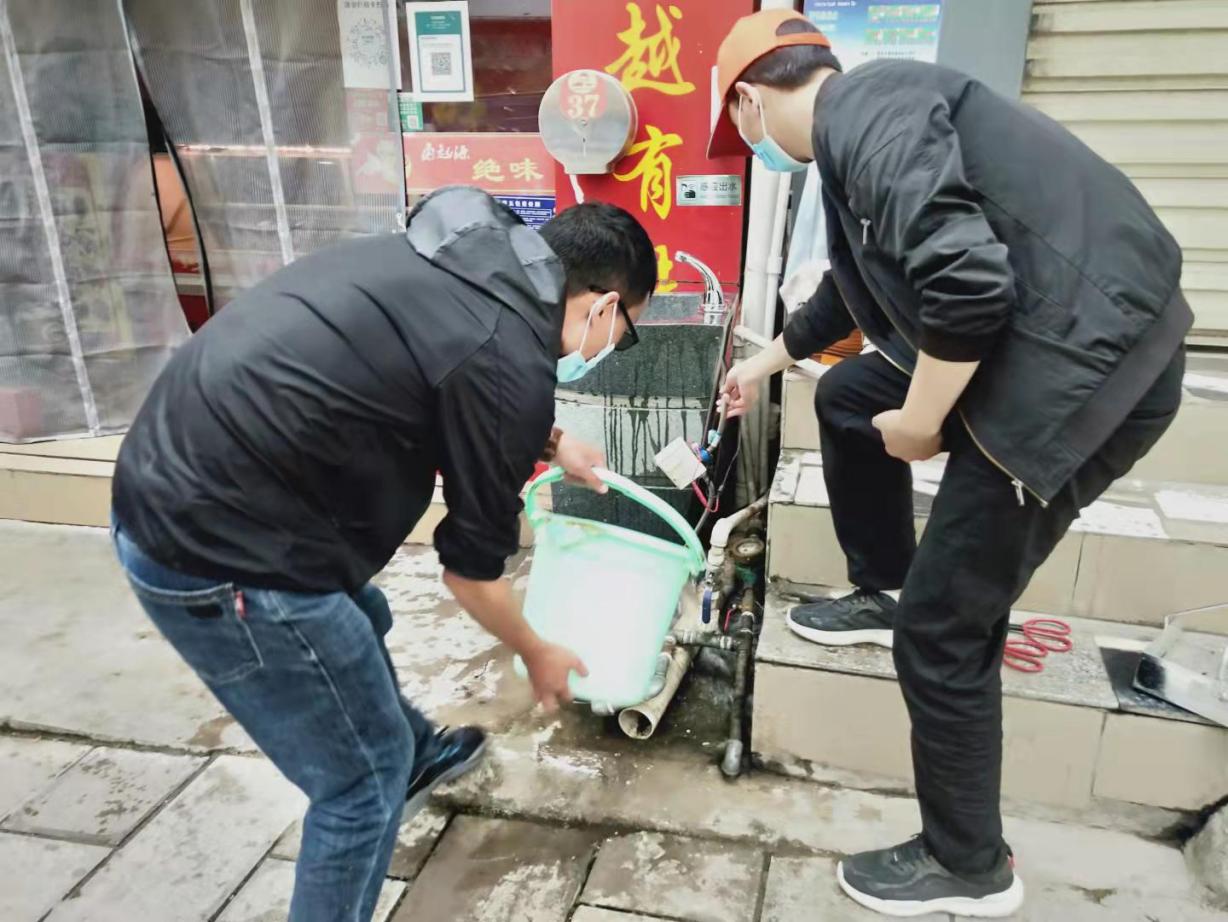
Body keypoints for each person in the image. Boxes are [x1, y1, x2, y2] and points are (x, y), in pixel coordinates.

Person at [709, 10, 1189, 919]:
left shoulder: (869, 114)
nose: (751, 146)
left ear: (747, 101)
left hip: (1080, 373)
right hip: (1050, 344)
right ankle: (884, 582)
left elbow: (966, 286)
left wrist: (922, 421)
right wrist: (761, 365)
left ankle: (968, 863)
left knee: (942, 629)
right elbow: (846, 294)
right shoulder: (860, 133)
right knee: (849, 395)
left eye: (739, 129)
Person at [110, 186, 657, 922]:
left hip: (175, 484)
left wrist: (555, 443)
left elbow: (448, 375)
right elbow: (471, 573)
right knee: (358, 788)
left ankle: (414, 754)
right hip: (220, 555)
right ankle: (389, 769)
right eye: (625, 332)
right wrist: (537, 650)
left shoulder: (472, 257)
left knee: (359, 616)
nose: (612, 348)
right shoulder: (506, 358)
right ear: (603, 304)